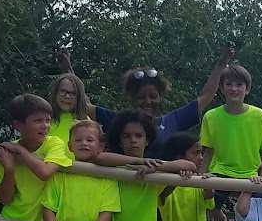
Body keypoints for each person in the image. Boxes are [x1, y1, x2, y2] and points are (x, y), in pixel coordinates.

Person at [54, 43, 236, 155]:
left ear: (160, 97)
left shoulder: (172, 121)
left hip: (161, 195)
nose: (147, 102)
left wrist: (221, 64)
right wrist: (68, 71)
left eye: (153, 96)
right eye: (141, 97)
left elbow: (204, 97)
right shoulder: (119, 121)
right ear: (132, 99)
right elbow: (86, 105)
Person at [199, 62, 262, 221]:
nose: (234, 89)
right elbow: (208, 151)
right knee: (202, 195)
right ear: (221, 88)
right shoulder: (211, 116)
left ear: (248, 89)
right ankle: (219, 220)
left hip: (252, 173)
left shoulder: (259, 115)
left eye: (239, 84)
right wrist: (200, 175)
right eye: (228, 84)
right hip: (221, 170)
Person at [46, 72, 97, 144]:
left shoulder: (87, 123)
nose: (67, 96)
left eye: (73, 93)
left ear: (79, 97)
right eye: (62, 91)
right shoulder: (45, 120)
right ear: (55, 93)